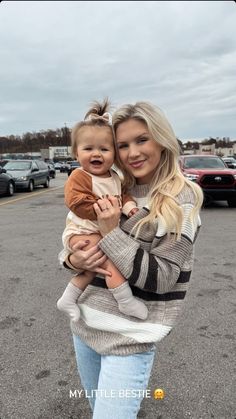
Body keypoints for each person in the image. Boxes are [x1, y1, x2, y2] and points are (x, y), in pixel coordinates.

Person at [61, 101, 203, 419]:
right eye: (122, 145)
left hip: (128, 341)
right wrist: (72, 257)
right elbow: (76, 234)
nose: (132, 153)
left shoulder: (181, 198)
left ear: (162, 139)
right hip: (85, 324)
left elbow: (163, 278)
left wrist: (111, 232)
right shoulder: (116, 186)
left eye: (142, 139)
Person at [57, 99, 148, 323]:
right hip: (82, 230)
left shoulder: (115, 178)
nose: (96, 154)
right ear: (76, 154)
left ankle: (68, 299)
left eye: (104, 149)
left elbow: (123, 196)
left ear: (114, 155)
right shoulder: (80, 176)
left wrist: (130, 207)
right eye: (88, 149)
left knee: (90, 269)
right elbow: (75, 202)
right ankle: (125, 301)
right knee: (108, 261)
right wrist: (105, 213)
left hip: (97, 231)